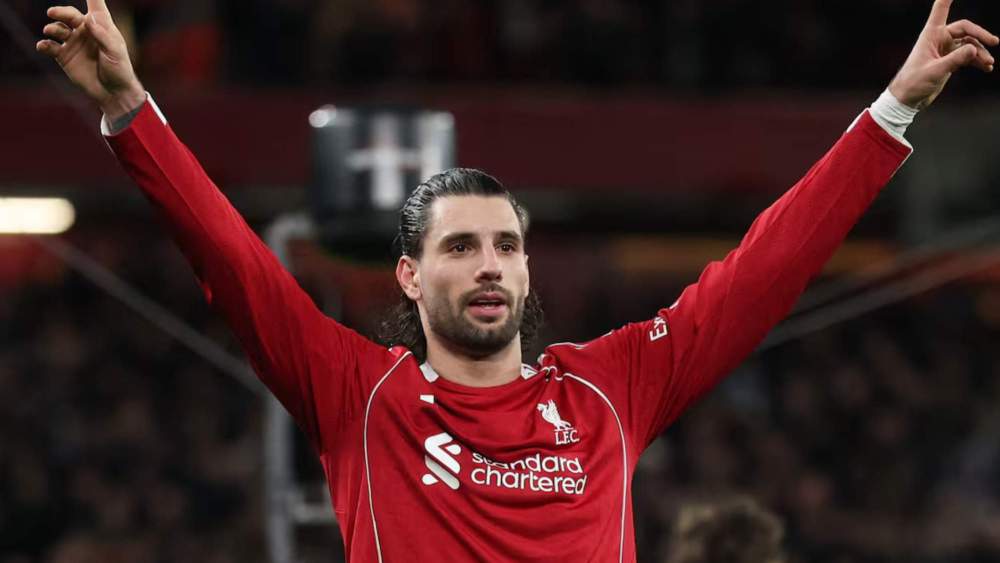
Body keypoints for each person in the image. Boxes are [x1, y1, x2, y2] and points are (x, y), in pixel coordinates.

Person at [36, 1, 996, 561]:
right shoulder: (357, 395)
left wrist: (892, 112)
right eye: (461, 247)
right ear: (410, 276)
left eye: (505, 244)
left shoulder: (610, 388)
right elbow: (232, 260)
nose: (490, 263)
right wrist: (130, 107)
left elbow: (764, 270)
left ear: (528, 267)